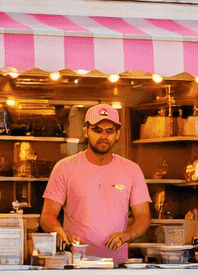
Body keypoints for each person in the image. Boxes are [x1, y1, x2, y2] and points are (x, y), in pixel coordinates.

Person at [39, 104, 151, 263]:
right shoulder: (65, 167)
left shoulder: (131, 170)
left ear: (117, 134)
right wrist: (59, 232)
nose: (104, 136)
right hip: (76, 263)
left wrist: (127, 235)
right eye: (97, 130)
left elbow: (143, 216)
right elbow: (47, 216)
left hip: (116, 265)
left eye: (109, 131)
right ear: (86, 131)